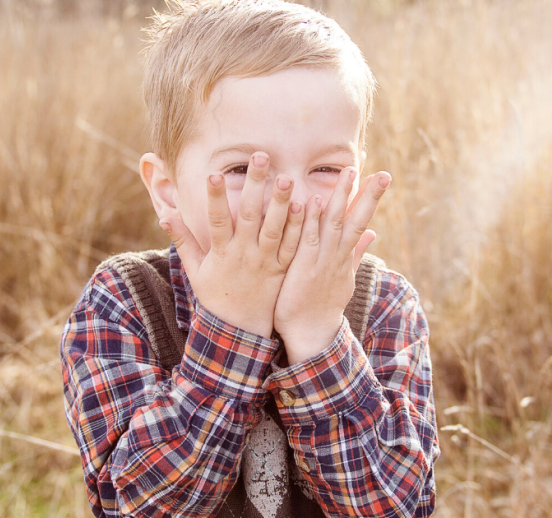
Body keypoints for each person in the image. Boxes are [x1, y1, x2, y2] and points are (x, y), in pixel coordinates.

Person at [59, 1, 438, 516]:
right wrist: (231, 327)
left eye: (326, 168)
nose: (293, 200)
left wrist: (316, 334)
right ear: (167, 191)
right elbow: (139, 506)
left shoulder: (385, 305)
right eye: (244, 169)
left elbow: (396, 507)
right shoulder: (123, 302)